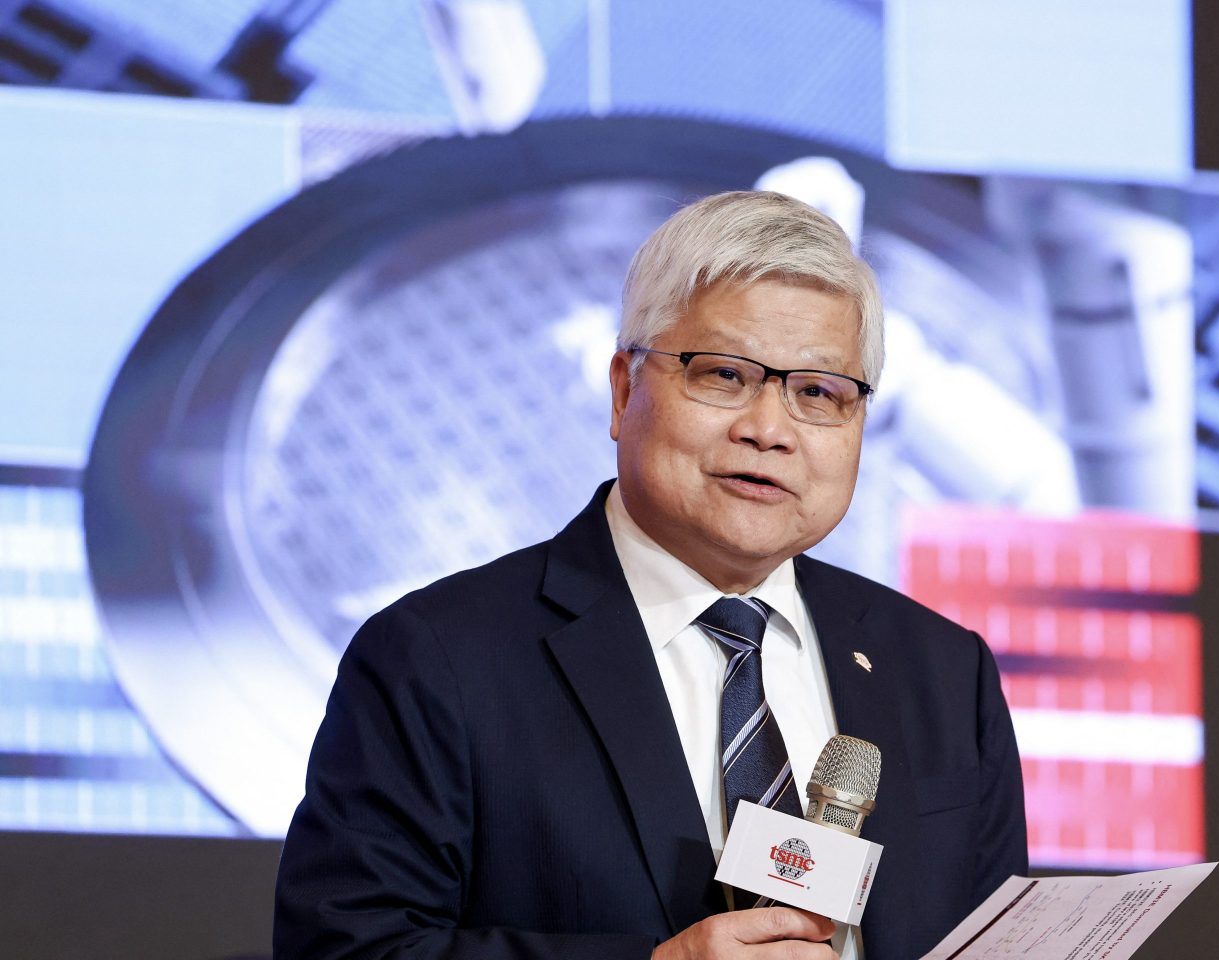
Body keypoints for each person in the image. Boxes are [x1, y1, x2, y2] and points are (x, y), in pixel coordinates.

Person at [273, 190, 1027, 960]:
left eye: (817, 393)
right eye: (725, 375)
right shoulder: (438, 657)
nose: (768, 430)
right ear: (625, 391)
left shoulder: (941, 671)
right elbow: (345, 949)